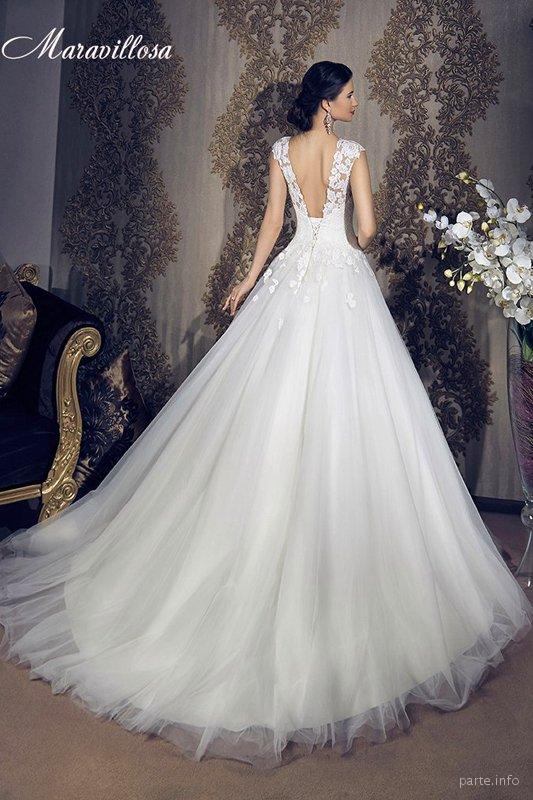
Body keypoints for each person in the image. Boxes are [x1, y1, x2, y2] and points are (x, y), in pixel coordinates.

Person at [0, 61, 531, 771]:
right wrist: (354, 233)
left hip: (290, 281)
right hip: (340, 285)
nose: (357, 101)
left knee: (266, 410)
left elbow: (273, 225)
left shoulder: (282, 151)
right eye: (350, 94)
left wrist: (248, 281)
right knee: (352, 416)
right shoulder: (352, 153)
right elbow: (366, 232)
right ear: (329, 102)